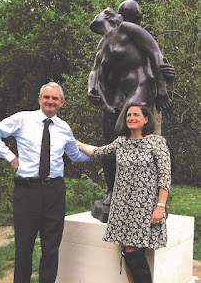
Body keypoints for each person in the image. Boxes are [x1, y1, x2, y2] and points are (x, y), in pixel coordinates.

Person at [0, 82, 90, 283]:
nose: (50, 101)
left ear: (62, 103)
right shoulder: (22, 119)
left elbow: (75, 155)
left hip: (54, 192)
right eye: (46, 97)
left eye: (55, 98)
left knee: (51, 247)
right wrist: (10, 157)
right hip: (27, 191)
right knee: (24, 246)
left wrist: (103, 154)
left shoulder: (64, 128)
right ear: (39, 99)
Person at [88, 1, 174, 208]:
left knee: (124, 132)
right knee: (109, 142)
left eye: (99, 14)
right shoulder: (102, 44)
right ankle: (112, 192)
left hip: (139, 88)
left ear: (108, 17)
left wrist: (162, 89)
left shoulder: (127, 28)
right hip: (115, 98)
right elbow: (94, 72)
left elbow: (154, 53)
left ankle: (143, 192)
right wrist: (92, 89)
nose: (94, 17)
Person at [78, 102, 171, 283]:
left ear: (146, 119)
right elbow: (98, 152)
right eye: (128, 115)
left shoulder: (157, 143)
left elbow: (165, 177)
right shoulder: (121, 142)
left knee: (133, 253)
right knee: (128, 252)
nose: (131, 118)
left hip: (143, 208)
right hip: (121, 208)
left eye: (136, 115)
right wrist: (77, 144)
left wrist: (160, 206)